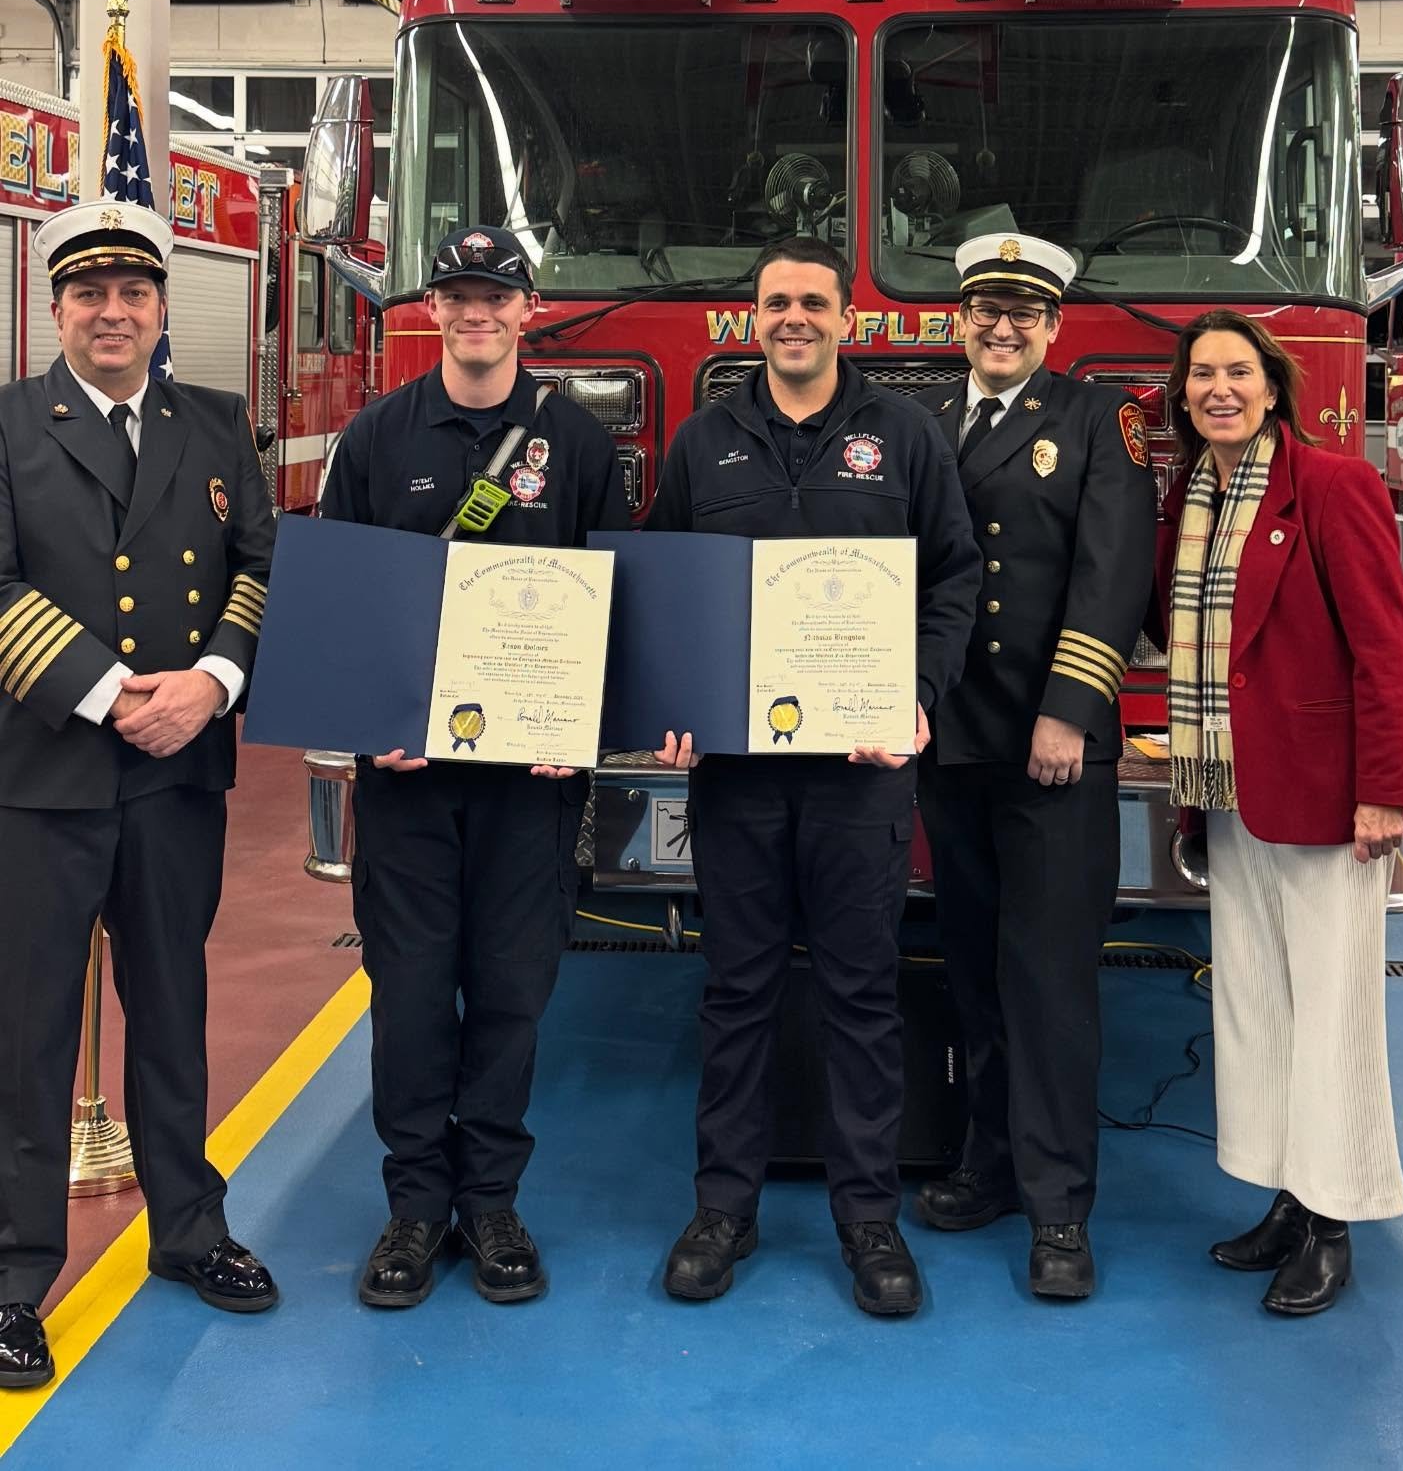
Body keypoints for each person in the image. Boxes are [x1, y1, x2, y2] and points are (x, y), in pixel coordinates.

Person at [647, 236, 980, 1318]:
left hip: (858, 774)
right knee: (736, 994)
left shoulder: (908, 437)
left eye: (812, 302)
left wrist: (919, 694)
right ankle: (723, 1209)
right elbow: (663, 582)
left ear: (848, 318)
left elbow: (954, 577)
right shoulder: (704, 442)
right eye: (777, 302)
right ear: (755, 319)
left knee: (862, 997)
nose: (794, 317)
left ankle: (868, 1218)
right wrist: (673, 698)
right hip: (738, 779)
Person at [321, 224, 629, 1311]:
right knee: (409, 994)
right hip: (410, 783)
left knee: (509, 992)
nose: (477, 313)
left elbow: (617, 605)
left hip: (529, 788)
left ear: (527, 309)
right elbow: (344, 608)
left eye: (495, 296)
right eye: (458, 295)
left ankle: (491, 1200)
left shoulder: (579, 449)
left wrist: (576, 726)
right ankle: (413, 1209)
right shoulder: (373, 437)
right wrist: (371, 718)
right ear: (435, 310)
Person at [0, 202, 278, 1392]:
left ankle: (190, 1230)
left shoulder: (215, 425)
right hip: (47, 780)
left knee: (173, 1008)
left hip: (179, 778)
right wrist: (117, 693)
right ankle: (16, 1279)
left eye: (133, 293)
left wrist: (211, 685)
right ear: (53, 308)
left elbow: (264, 565)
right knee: (29, 1034)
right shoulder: (7, 426)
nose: (112, 312)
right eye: (88, 294)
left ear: (163, 308)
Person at [1155, 308, 1403, 1315]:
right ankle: (1285, 1192)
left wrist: (1388, 792)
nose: (1218, 389)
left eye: (1237, 372)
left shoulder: (1333, 485)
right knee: (1259, 1002)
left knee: (1332, 1010)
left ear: (1272, 387)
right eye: (1201, 377)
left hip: (1324, 793)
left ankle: (1334, 1220)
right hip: (1230, 793)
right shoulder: (1193, 495)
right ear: (1184, 397)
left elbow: (1385, 651)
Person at [912, 232, 1156, 1300]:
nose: (1001, 327)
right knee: (973, 970)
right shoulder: (922, 421)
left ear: (1054, 327)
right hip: (950, 740)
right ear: (959, 322)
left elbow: (1113, 573)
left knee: (1050, 982)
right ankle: (991, 1162)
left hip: (1052, 751)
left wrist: (1070, 711)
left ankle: (1060, 1210)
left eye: (1023, 312)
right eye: (984, 310)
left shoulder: (1099, 422)